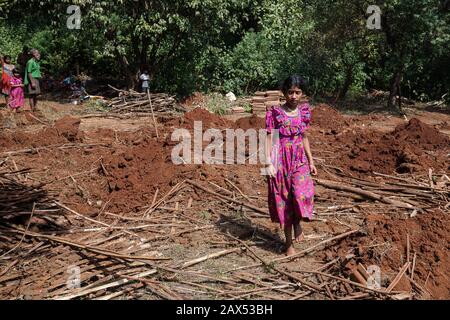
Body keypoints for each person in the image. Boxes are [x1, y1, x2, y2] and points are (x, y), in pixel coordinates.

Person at [265, 75, 318, 256]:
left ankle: (298, 223)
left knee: (302, 192)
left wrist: (311, 161)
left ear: (302, 93)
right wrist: (268, 163)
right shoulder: (275, 113)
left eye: (298, 92)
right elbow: (269, 138)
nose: (294, 96)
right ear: (284, 93)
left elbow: (304, 138)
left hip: (299, 159)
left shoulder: (303, 112)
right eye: (290, 92)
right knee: (285, 201)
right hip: (280, 161)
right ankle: (288, 244)